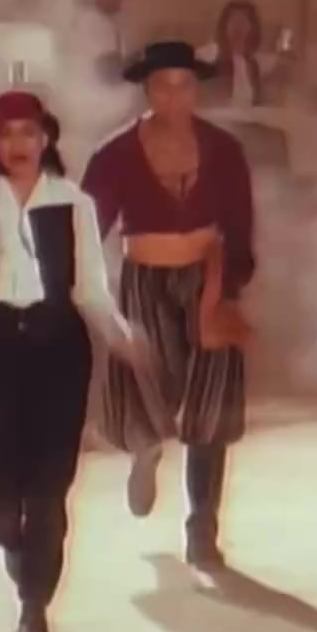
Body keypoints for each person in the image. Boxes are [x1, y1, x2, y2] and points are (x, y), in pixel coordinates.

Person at [0, 91, 135, 632]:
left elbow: (90, 289)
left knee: (47, 487)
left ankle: (33, 608)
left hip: (57, 350)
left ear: (46, 139)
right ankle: (21, 556)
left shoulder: (74, 204)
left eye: (28, 132)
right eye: (6, 134)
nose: (17, 144)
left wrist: (120, 337)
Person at [82, 41, 257, 568]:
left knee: (210, 409)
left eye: (184, 85)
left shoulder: (223, 149)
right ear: (147, 90)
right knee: (147, 379)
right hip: (144, 280)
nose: (174, 96)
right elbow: (87, 232)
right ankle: (146, 447)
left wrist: (229, 290)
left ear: (196, 89)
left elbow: (240, 224)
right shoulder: (115, 154)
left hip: (208, 277)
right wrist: (87, 295)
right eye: (163, 86)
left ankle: (202, 528)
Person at [199, 0, 268, 108]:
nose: (238, 27)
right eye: (233, 21)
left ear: (252, 29)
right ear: (224, 27)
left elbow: (257, 103)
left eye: (244, 22)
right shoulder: (209, 57)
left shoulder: (252, 63)